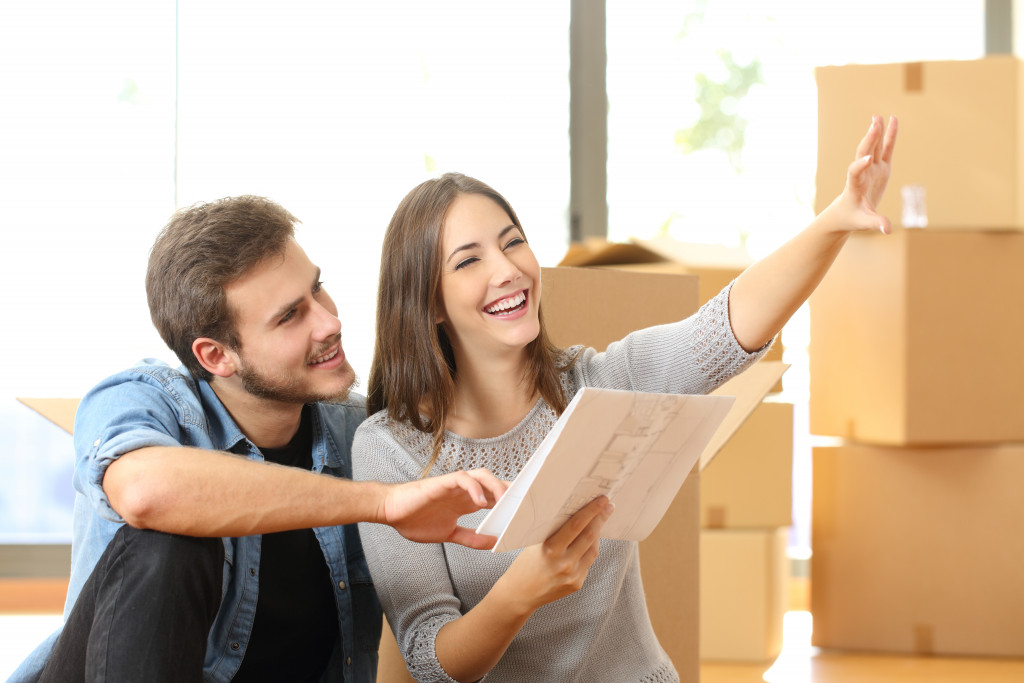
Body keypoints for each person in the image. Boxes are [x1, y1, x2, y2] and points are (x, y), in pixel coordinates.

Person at [352, 115, 898, 682]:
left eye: (514, 243)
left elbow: (724, 332)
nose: (508, 270)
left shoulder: (598, 381)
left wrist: (835, 220)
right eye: (469, 261)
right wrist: (517, 595)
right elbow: (430, 662)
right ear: (429, 303)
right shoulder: (392, 450)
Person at [10, 196, 507, 683]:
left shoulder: (360, 435)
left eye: (318, 290)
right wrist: (381, 503)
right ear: (216, 356)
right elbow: (145, 493)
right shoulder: (140, 399)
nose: (330, 323)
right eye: (291, 316)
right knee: (171, 542)